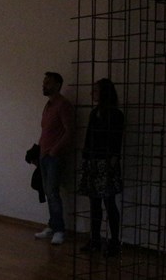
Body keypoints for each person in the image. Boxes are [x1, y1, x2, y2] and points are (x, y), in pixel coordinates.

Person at [78, 78, 125, 257]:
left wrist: (112, 161)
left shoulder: (115, 115)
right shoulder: (95, 113)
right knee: (95, 203)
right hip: (93, 162)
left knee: (109, 202)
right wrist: (86, 158)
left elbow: (116, 140)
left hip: (106, 162)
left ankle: (114, 241)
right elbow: (89, 137)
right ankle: (95, 239)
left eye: (96, 90)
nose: (92, 93)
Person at [34, 72, 74, 244]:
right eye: (44, 82)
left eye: (48, 83)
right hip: (44, 155)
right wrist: (39, 151)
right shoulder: (48, 105)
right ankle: (52, 225)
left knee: (53, 192)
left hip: (54, 157)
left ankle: (59, 230)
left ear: (57, 85)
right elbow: (46, 131)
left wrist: (55, 150)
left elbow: (69, 131)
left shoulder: (63, 105)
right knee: (48, 192)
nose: (44, 85)